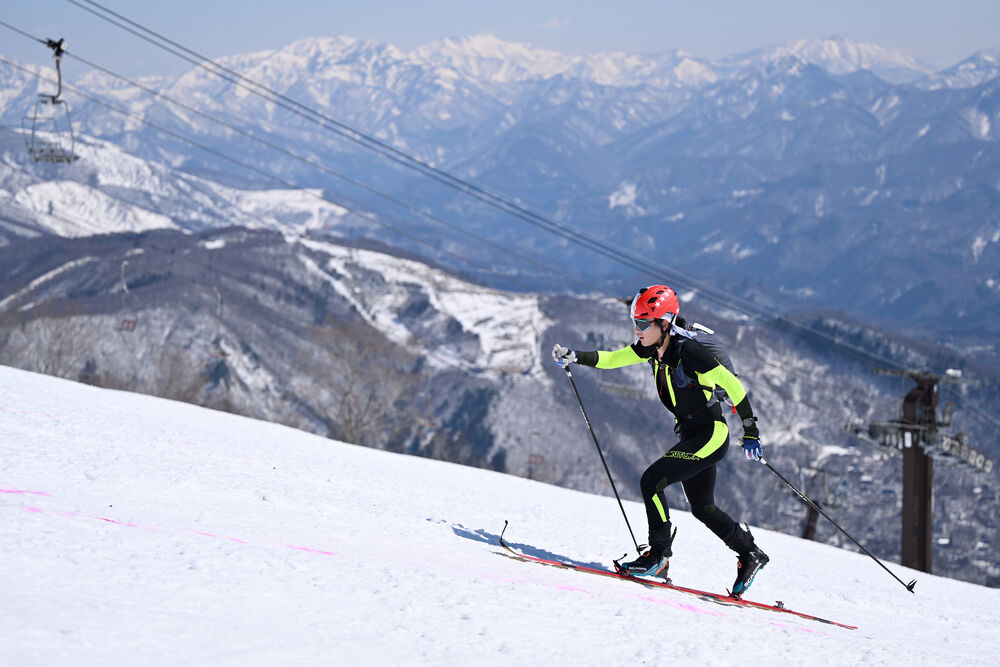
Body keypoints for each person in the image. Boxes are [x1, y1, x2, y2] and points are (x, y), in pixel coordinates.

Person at [551, 284, 768, 597]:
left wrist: (751, 431)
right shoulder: (652, 348)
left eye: (642, 324)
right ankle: (751, 554)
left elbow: (734, 387)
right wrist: (576, 357)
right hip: (692, 435)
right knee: (703, 508)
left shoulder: (691, 352)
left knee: (652, 480)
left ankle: (658, 556)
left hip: (711, 434)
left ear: (664, 323)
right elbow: (613, 359)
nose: (637, 330)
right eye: (635, 323)